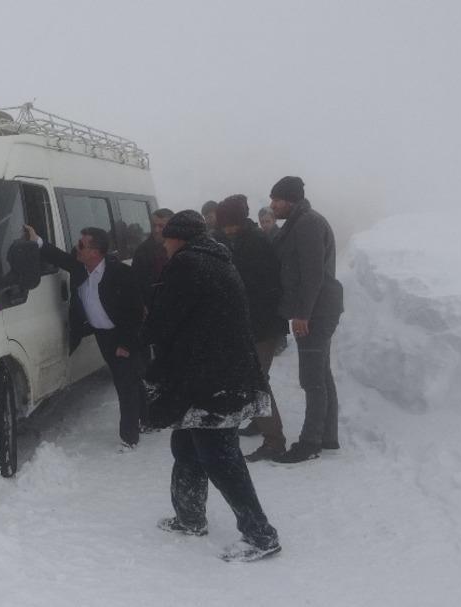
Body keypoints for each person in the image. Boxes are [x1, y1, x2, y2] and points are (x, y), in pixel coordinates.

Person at [143, 210, 280, 562]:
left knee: (220, 456)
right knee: (187, 443)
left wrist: (144, 332)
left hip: (211, 378)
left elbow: (164, 320)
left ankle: (260, 535)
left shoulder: (188, 264)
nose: (163, 243)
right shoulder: (216, 258)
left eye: (166, 237)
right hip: (218, 370)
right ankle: (190, 516)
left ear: (179, 237)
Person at [23, 224, 146, 447]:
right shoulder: (80, 268)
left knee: (125, 385)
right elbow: (59, 257)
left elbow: (135, 313)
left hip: (123, 336)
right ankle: (147, 417)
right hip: (102, 335)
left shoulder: (121, 274)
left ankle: (129, 438)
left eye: (81, 245)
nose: (76, 248)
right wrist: (36, 240)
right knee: (132, 380)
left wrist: (126, 344)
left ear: (96, 252)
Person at [269, 176, 344, 463]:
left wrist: (303, 314)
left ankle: (310, 443)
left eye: (276, 199)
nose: (272, 205)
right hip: (318, 309)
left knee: (311, 379)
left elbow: (312, 274)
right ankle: (327, 436)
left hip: (316, 312)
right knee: (321, 374)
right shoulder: (302, 221)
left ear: (290, 200)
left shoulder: (308, 223)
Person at [216, 195, 290, 462]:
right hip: (247, 325)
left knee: (255, 381)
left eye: (229, 224)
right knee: (257, 379)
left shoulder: (256, 244)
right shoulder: (233, 241)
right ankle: (261, 423)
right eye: (224, 225)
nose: (225, 229)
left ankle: (274, 441)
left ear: (238, 222)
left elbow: (263, 290)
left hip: (261, 325)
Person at [130, 208, 174, 306]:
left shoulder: (181, 247)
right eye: (154, 225)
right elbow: (136, 283)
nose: (156, 230)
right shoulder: (142, 251)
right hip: (153, 305)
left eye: (161, 226)